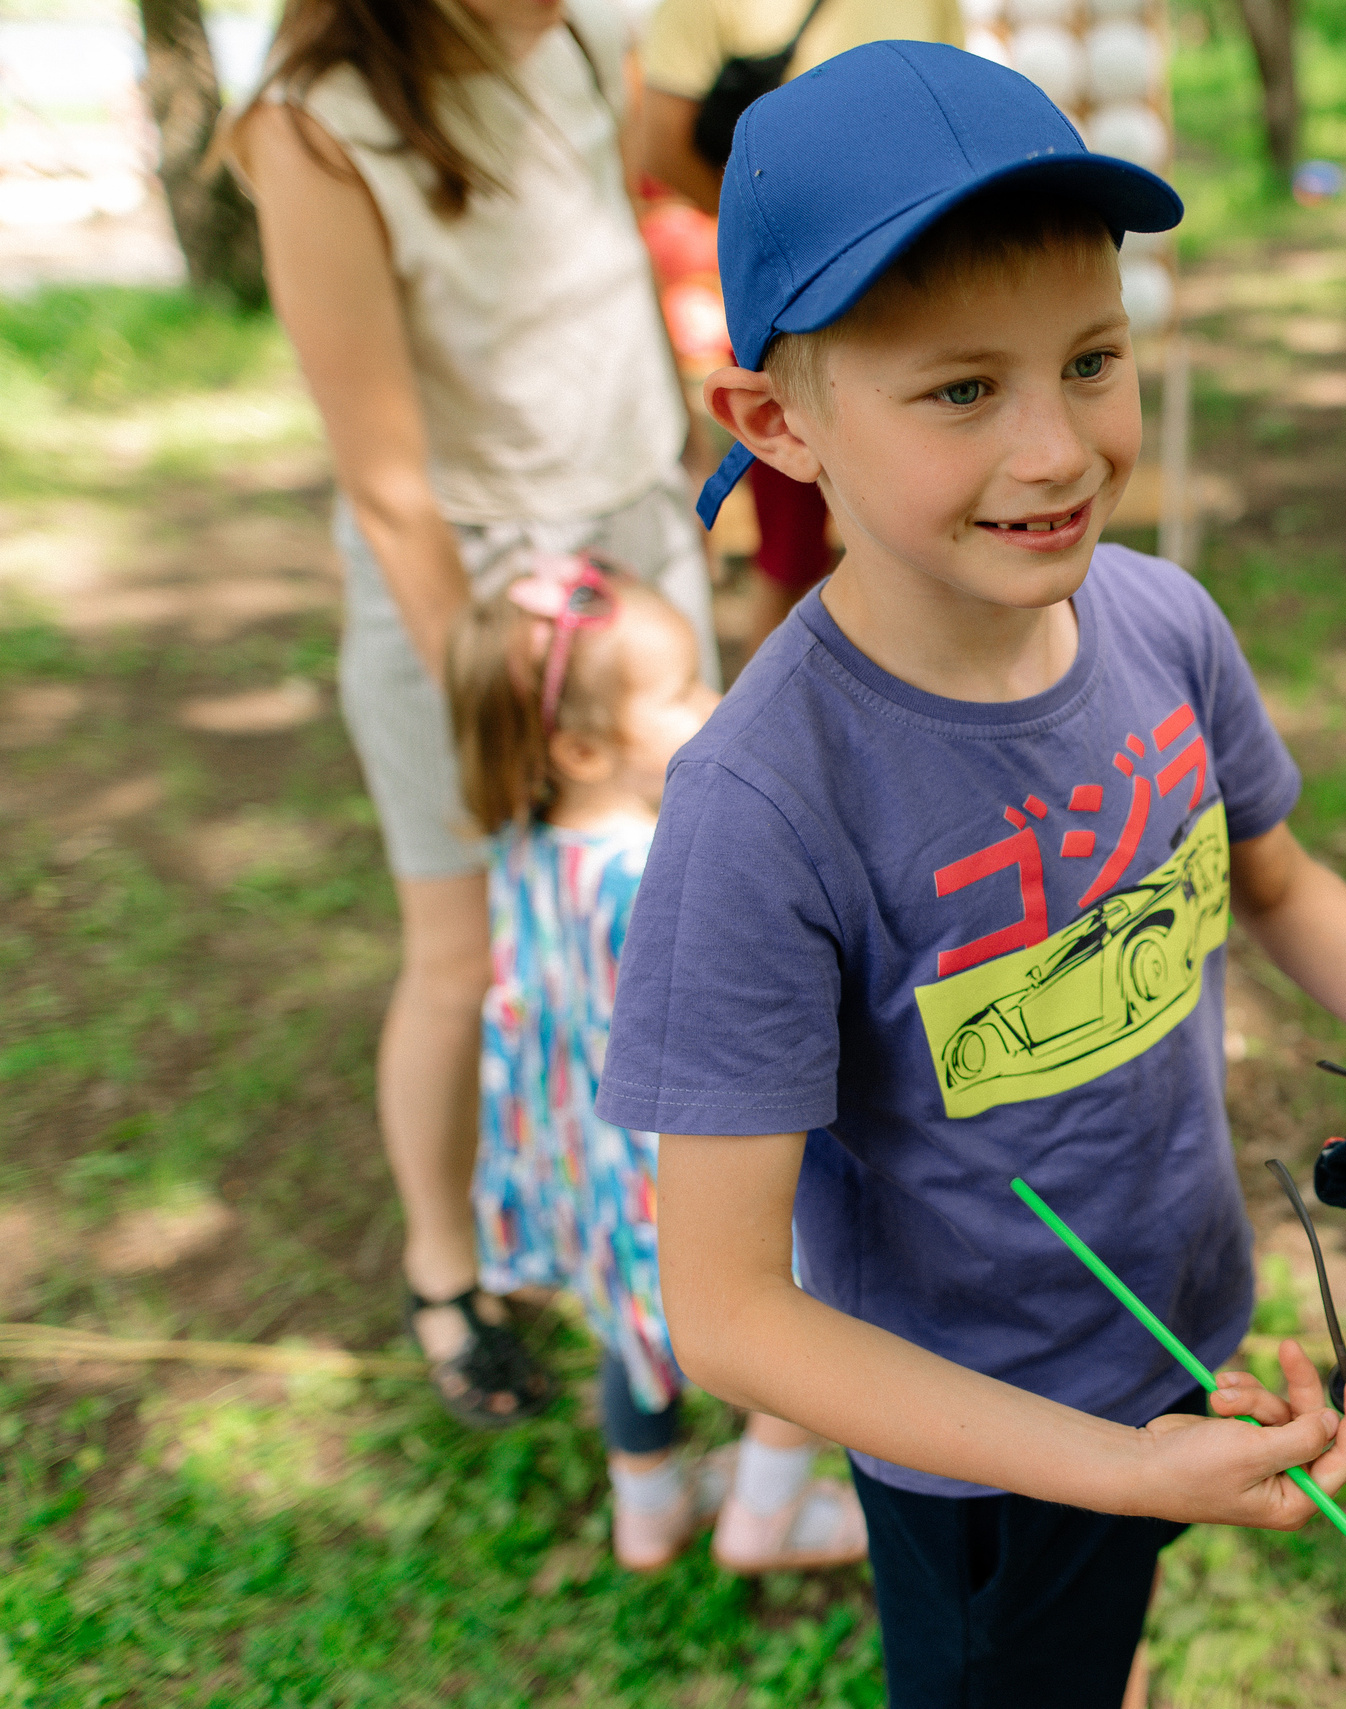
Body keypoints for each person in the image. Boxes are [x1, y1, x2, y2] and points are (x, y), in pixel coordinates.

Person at [592, 44, 1346, 1707]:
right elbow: (728, 1313)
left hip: (1171, 1333)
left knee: (1099, 1650)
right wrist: (1107, 1466)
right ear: (772, 421)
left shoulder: (1165, 625)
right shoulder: (764, 801)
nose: (1055, 449)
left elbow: (1278, 880)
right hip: (988, 1458)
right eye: (961, 390)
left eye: (1091, 359)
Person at [233, 0, 720, 1429]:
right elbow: (386, 476)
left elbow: (608, 269)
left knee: (681, 913)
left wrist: (677, 461)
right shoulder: (313, 124)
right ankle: (449, 1266)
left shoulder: (574, 36)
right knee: (468, 952)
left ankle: (685, 1241)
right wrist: (484, 697)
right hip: (465, 590)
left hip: (632, 555)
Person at [451, 554, 869, 1573]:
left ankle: (647, 1510)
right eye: (680, 690)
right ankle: (763, 1518)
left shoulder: (525, 845)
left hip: (590, 1172)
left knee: (627, 1333)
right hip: (676, 1173)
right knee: (805, 1324)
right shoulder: (656, 874)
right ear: (585, 745)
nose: (715, 702)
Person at [636, 0, 965, 663]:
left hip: (925, 297)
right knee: (790, 559)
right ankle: (773, 743)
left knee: (942, 543)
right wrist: (779, 241)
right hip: (794, 310)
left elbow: (950, 106)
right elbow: (660, 142)